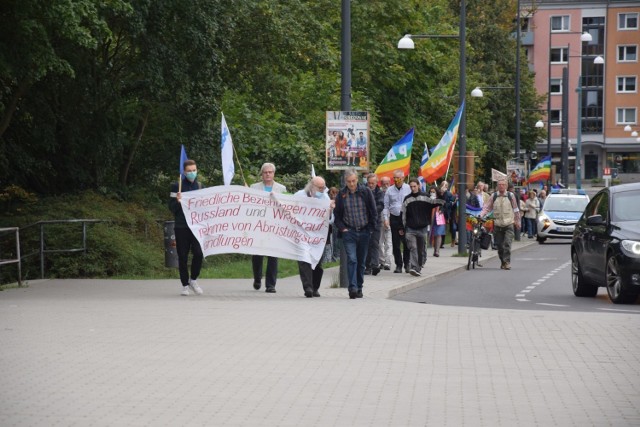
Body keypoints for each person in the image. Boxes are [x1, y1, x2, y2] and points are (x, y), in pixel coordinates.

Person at [334, 168, 377, 299]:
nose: (351, 184)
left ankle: (359, 287)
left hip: (364, 231)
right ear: (345, 181)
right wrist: (343, 229)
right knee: (352, 259)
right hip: (349, 232)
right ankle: (352, 288)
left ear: (357, 180)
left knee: (361, 262)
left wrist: (370, 228)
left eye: (353, 181)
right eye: (349, 181)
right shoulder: (341, 194)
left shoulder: (365, 191)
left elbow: (373, 211)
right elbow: (337, 216)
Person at [169, 159, 204, 296]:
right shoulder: (176, 187)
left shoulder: (200, 186)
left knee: (199, 253)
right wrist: (177, 202)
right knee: (182, 256)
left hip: (196, 226)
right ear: (184, 172)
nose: (192, 173)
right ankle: (184, 285)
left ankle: (193, 279)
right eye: (189, 171)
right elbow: (171, 207)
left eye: (194, 170)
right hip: (181, 226)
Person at [294, 176, 334, 298]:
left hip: (318, 237)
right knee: (304, 260)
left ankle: (315, 287)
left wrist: (331, 211)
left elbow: (331, 220)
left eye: (323, 188)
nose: (322, 190)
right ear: (312, 185)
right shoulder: (299, 195)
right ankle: (308, 288)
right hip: (302, 234)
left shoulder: (325, 197)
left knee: (317, 262)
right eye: (320, 188)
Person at [250, 162, 287, 293]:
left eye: (270, 172)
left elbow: (286, 207)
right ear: (262, 174)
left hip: (274, 227)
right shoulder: (254, 187)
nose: (268, 174)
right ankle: (257, 278)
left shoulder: (282, 188)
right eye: (265, 172)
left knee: (273, 256)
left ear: (274, 174)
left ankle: (271, 284)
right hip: (258, 226)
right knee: (257, 256)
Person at [402, 179, 443, 276]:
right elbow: (403, 214)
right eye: (411, 187)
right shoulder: (407, 199)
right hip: (410, 228)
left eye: (414, 186)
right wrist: (402, 226)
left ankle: (419, 265)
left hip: (422, 227)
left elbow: (437, 202)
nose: (413, 188)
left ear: (418, 186)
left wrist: (441, 194)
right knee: (413, 247)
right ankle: (414, 267)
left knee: (421, 249)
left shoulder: (425, 196)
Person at [480, 178, 521, 270]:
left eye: (503, 184)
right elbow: (487, 208)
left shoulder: (511, 196)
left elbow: (516, 209)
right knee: (499, 246)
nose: (501, 186)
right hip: (497, 224)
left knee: (507, 244)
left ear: (506, 186)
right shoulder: (493, 196)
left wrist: (518, 221)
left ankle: (507, 262)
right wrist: (481, 215)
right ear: (497, 186)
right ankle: (503, 261)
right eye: (499, 185)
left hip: (509, 223)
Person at [383, 170, 411, 273]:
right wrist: (386, 219)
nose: (396, 180)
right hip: (394, 218)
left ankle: (407, 263)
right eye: (394, 178)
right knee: (395, 243)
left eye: (398, 178)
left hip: (406, 217)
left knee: (406, 242)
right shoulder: (389, 190)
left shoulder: (408, 188)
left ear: (403, 178)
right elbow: (385, 206)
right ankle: (398, 265)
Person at [364, 173, 384, 275]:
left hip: (376, 221)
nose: (371, 185)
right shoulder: (363, 191)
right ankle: (367, 266)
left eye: (373, 183)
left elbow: (380, 205)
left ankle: (375, 265)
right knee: (367, 243)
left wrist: (372, 211)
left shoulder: (379, 193)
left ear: (376, 183)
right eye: (369, 183)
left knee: (375, 243)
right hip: (365, 222)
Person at [378, 176, 393, 270]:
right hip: (380, 220)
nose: (385, 185)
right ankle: (382, 260)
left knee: (388, 242)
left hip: (390, 219)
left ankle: (388, 262)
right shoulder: (379, 193)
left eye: (387, 183)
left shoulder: (392, 192)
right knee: (379, 242)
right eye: (383, 183)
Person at [430, 186, 447, 257]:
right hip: (431, 217)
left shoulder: (441, 198)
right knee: (433, 234)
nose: (432, 193)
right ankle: (434, 249)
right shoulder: (428, 199)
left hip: (439, 217)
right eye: (431, 192)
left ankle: (437, 251)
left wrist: (441, 210)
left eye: (434, 192)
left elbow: (444, 206)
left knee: (439, 234)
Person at [441, 180, 457, 247]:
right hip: (443, 213)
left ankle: (453, 240)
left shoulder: (449, 193)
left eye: (446, 185)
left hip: (450, 212)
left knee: (453, 227)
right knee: (442, 227)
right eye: (443, 185)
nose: (445, 186)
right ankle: (441, 243)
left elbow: (453, 202)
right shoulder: (440, 193)